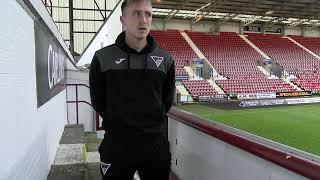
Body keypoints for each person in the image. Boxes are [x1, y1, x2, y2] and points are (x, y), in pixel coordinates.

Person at [89, 0, 175, 179]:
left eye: (148, 14)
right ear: (123, 19)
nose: (143, 20)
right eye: (136, 13)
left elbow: (166, 101)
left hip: (154, 145)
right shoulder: (103, 58)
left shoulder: (165, 59)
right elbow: (98, 100)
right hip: (117, 144)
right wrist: (118, 121)